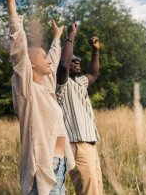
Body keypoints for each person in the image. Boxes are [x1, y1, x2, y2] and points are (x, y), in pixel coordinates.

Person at [0, 0, 75, 195]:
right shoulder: (27, 91)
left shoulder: (46, 87)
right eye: (43, 58)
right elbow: (18, 51)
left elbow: (55, 56)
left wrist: (57, 38)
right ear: (31, 63)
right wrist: (11, 6)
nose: (49, 61)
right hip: (44, 167)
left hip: (59, 168)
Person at [56, 23, 102, 195]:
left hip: (90, 145)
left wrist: (95, 51)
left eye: (78, 61)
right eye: (73, 60)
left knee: (97, 190)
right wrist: (71, 36)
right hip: (77, 145)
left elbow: (93, 74)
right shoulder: (61, 84)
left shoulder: (79, 82)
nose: (77, 62)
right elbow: (63, 66)